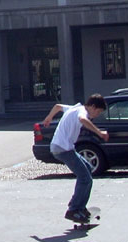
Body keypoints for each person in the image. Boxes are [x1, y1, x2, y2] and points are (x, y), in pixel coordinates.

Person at [42, 94, 109, 223]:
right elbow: (83, 119)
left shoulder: (73, 108)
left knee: (88, 168)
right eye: (98, 112)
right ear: (93, 106)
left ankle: (79, 205)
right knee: (85, 178)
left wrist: (49, 117)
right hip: (63, 149)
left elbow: (57, 106)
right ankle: (73, 210)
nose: (96, 115)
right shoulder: (81, 111)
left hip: (62, 147)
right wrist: (99, 132)